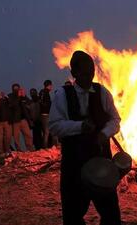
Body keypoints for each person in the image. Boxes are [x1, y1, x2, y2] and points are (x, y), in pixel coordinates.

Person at [49, 50, 122, 225]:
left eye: (92, 72)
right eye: (85, 73)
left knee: (111, 214)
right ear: (74, 73)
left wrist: (104, 133)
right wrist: (79, 126)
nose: (90, 77)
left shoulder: (102, 92)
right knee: (73, 215)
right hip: (74, 164)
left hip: (101, 162)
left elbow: (115, 119)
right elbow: (54, 125)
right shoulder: (62, 95)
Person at [8, 84, 33, 151]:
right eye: (15, 89)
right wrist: (18, 97)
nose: (16, 90)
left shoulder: (23, 96)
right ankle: (19, 150)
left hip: (23, 119)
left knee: (28, 135)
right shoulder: (10, 96)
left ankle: (30, 149)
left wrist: (24, 96)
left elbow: (30, 103)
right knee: (16, 137)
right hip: (15, 120)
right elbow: (12, 105)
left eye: (17, 89)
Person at [40, 80, 53, 148]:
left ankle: (47, 146)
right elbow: (45, 104)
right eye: (51, 85)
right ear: (49, 85)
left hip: (44, 114)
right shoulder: (45, 92)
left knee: (47, 132)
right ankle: (45, 147)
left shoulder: (42, 92)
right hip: (45, 115)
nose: (52, 87)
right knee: (47, 132)